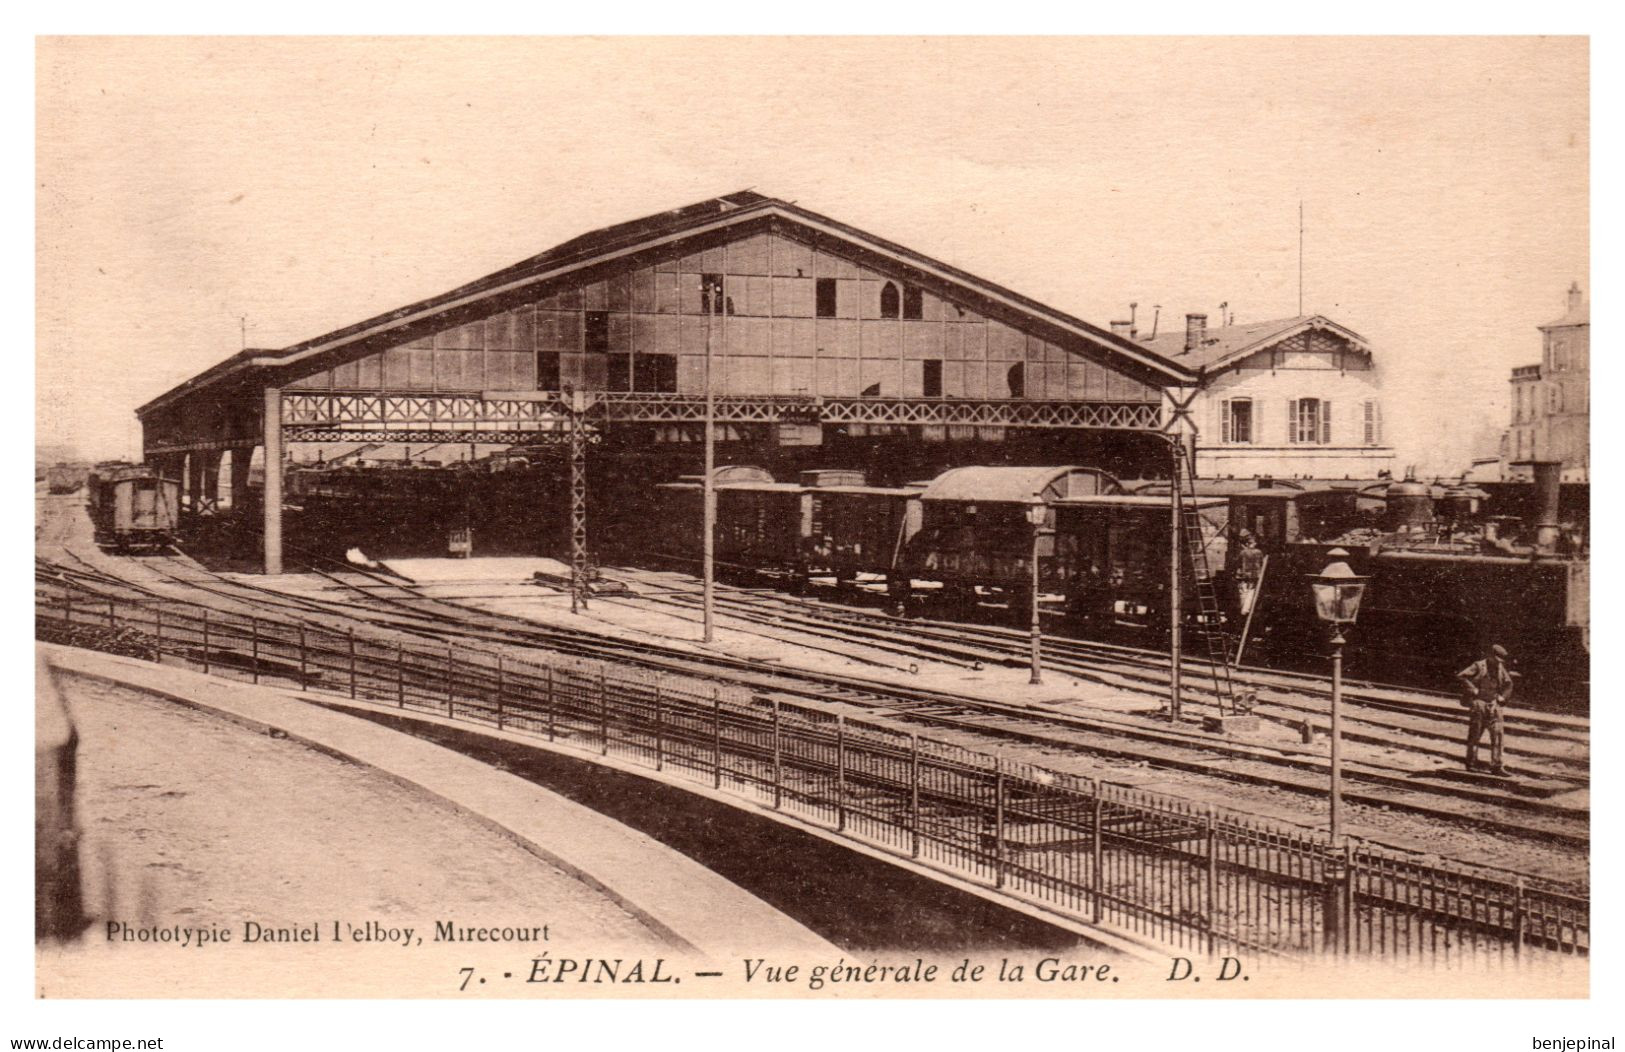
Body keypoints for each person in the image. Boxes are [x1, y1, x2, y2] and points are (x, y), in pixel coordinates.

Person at [1456, 644, 1514, 776]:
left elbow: (1509, 684)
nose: (1498, 663)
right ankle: (1471, 763)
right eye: (1496, 659)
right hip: (1479, 703)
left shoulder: (1500, 668)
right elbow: (1461, 676)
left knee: (1498, 734)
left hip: (1494, 704)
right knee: (1475, 734)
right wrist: (1472, 689)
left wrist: (1503, 697)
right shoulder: (1478, 665)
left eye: (1501, 661)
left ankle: (1497, 766)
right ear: (1490, 656)